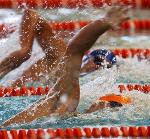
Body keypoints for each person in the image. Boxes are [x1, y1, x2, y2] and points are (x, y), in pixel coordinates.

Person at [0, 6, 129, 127]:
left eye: (104, 67)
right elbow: (75, 49)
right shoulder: (67, 99)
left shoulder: (68, 113)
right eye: (98, 61)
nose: (97, 67)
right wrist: (24, 50)